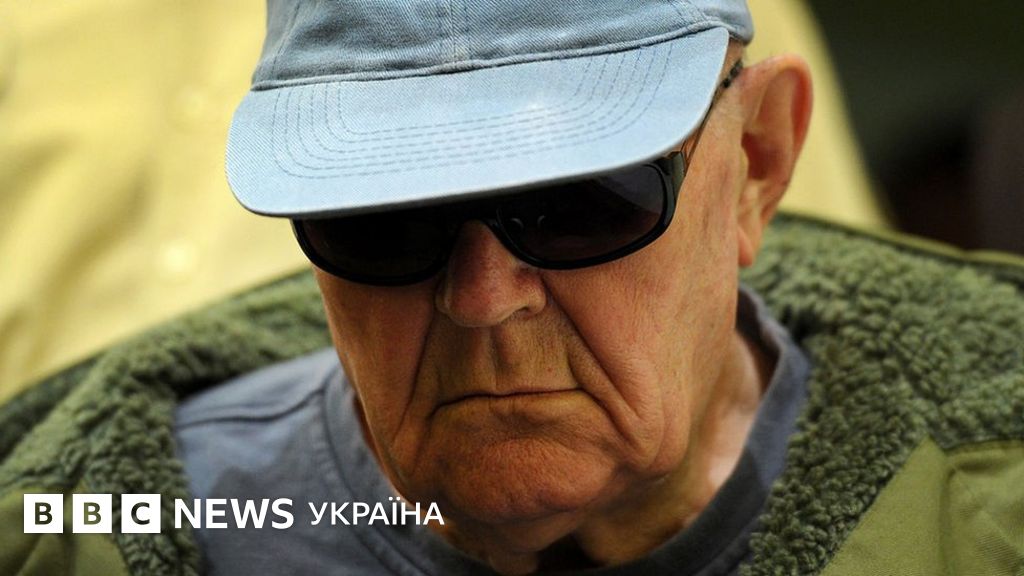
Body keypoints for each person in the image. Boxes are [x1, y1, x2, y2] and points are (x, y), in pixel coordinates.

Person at [1, 1, 1021, 575]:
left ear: (757, 161)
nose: (484, 297)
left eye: (585, 202)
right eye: (381, 219)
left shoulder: (986, 508)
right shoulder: (92, 532)